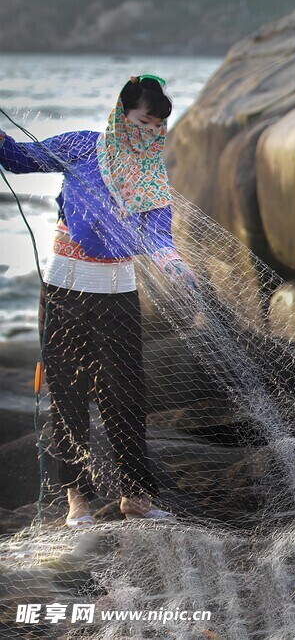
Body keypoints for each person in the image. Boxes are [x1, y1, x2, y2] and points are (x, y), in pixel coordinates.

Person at [0, 75, 196, 528]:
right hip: (65, 288)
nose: (150, 132)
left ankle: (137, 496)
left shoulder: (150, 173)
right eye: (144, 120)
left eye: (158, 125)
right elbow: (17, 159)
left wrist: (172, 263)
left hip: (119, 293)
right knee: (66, 393)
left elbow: (157, 232)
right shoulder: (82, 146)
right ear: (121, 114)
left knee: (126, 394)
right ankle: (78, 501)